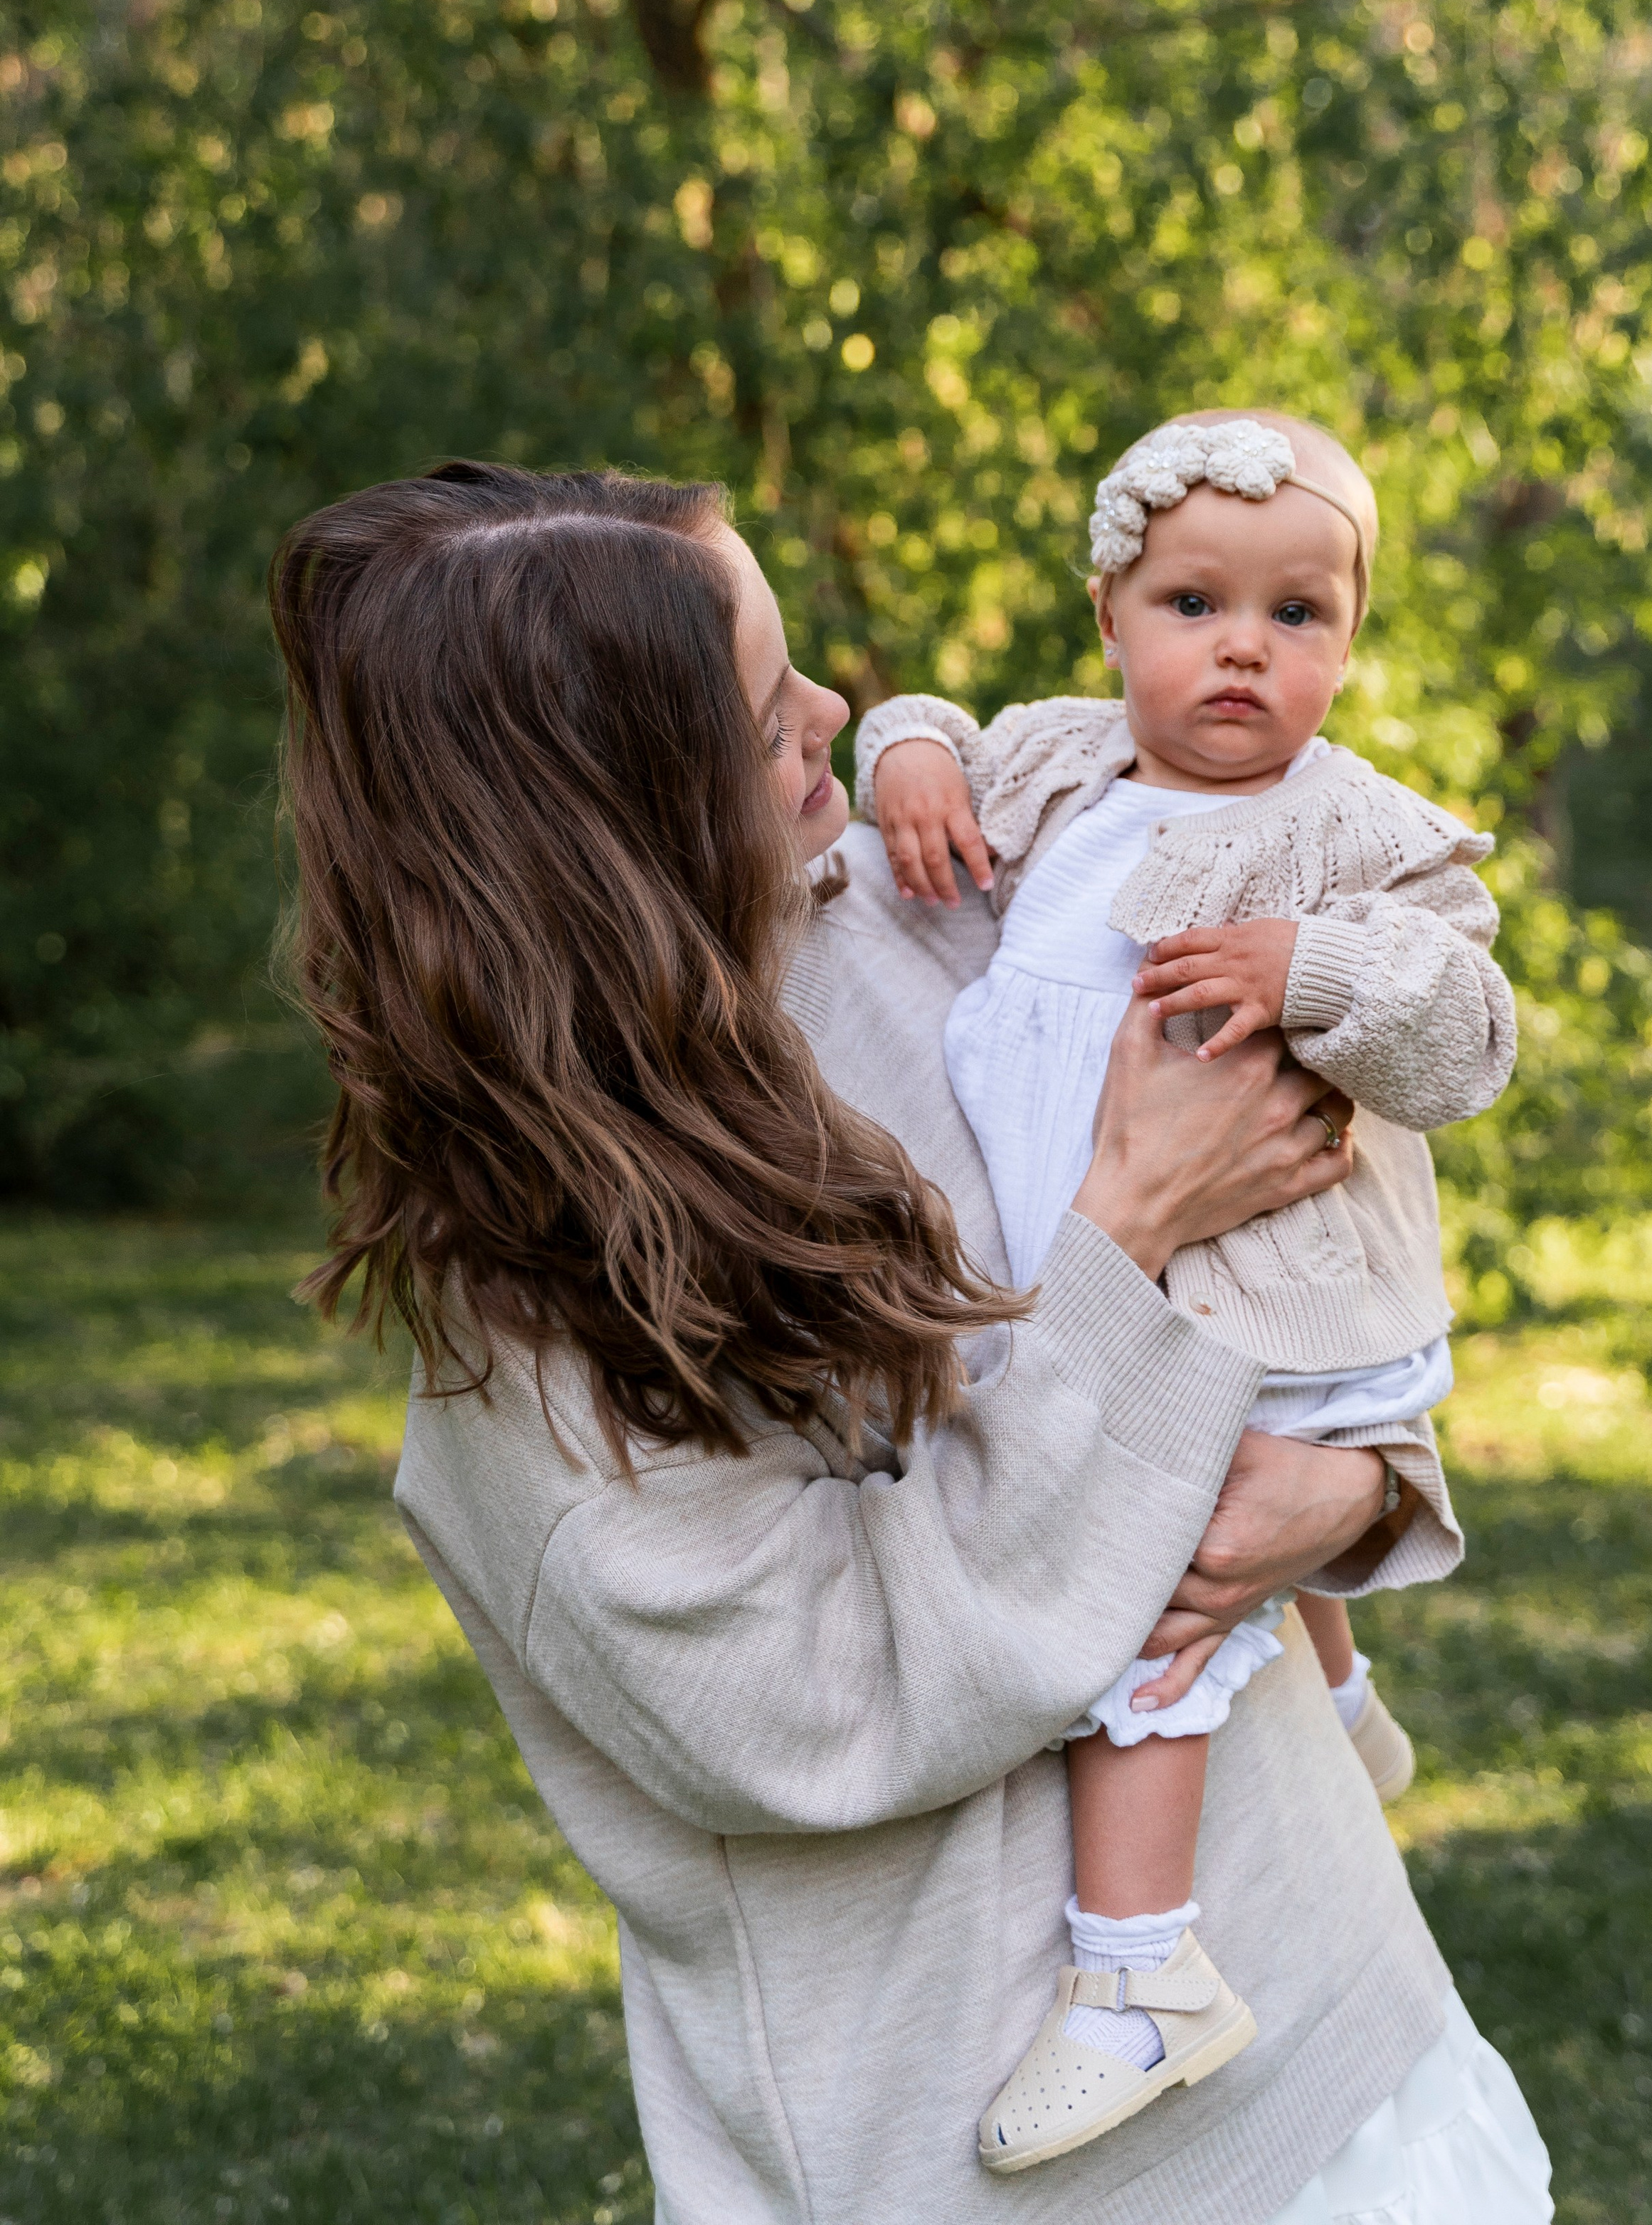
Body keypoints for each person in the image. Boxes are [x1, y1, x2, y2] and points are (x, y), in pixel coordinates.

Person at [269, 458, 1551, 2225]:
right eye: (761, 711)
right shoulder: (531, 1310)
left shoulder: (952, 908)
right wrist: (1122, 1226)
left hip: (1336, 2018)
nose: (832, 713)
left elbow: (1308, 1246)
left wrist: (1358, 1487)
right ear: (614, 809)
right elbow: (825, 1716)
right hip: (1005, 2162)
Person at [860, 411, 1517, 2168]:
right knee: (1204, 1555)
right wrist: (905, 750)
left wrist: (1315, 969)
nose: (1241, 648)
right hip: (1103, 1264)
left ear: (1348, 645)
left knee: (1141, 1615)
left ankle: (1137, 1969)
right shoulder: (1060, 765)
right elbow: (926, 727)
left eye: (1295, 615)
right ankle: (1344, 1701)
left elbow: (1465, 1036)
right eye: (1191, 603)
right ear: (1107, 617)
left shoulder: (1353, 830)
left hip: (1260, 1297)